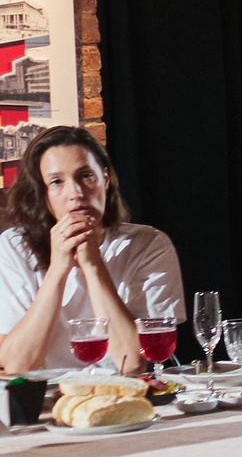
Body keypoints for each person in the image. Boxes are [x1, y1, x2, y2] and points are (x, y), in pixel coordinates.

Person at [0, 125, 184, 374]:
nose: (75, 193)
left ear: (105, 180)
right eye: (56, 182)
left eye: (86, 176)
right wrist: (58, 269)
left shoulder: (149, 245)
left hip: (123, 397)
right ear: (43, 195)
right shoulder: (13, 247)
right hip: (43, 404)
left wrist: (93, 266)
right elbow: (16, 365)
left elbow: (132, 362)